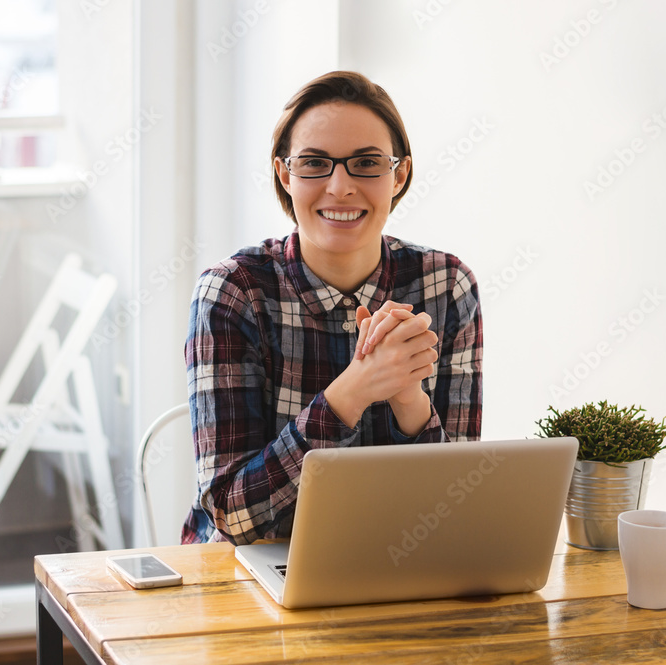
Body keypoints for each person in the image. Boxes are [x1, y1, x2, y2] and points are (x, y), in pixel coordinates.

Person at [181, 71, 483, 545]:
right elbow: (231, 515)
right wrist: (350, 394)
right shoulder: (233, 291)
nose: (340, 187)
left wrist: (410, 403)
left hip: (390, 565)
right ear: (285, 174)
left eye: (365, 163)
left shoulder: (446, 285)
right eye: (315, 163)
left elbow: (456, 510)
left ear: (398, 174)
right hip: (247, 577)